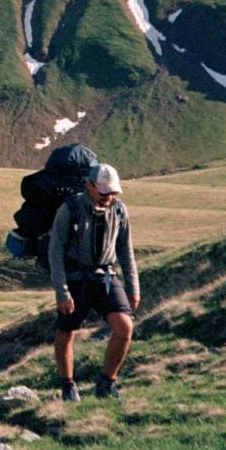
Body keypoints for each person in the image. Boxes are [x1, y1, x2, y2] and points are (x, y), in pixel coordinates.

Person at [50, 161, 140, 401]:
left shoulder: (119, 211)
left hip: (106, 277)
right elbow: (55, 251)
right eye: (103, 192)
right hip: (75, 279)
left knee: (124, 327)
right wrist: (62, 291)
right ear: (89, 186)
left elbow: (125, 250)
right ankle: (68, 386)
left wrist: (133, 288)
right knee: (66, 331)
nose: (108, 197)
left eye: (112, 192)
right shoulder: (69, 209)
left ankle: (107, 382)